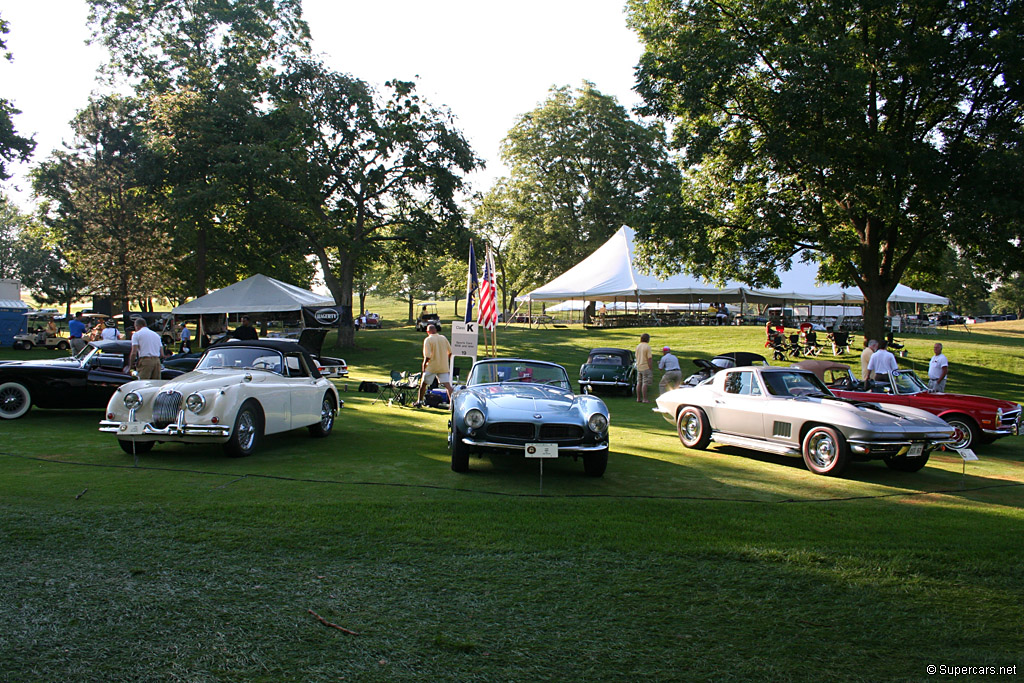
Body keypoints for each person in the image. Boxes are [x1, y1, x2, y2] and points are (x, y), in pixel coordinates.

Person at [414, 323, 453, 407]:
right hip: (443, 366)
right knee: (448, 386)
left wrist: (424, 365)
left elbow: (427, 356)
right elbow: (450, 352)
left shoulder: (428, 340)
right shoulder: (443, 338)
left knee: (423, 384)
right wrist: (447, 362)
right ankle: (453, 404)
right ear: (435, 330)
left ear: (428, 331)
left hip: (432, 366)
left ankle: (419, 402)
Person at [635, 333, 654, 403]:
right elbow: (649, 358)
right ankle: (645, 399)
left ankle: (638, 398)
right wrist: (650, 367)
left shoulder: (638, 346)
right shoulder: (647, 347)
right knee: (645, 383)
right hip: (645, 366)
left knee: (639, 382)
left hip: (639, 366)